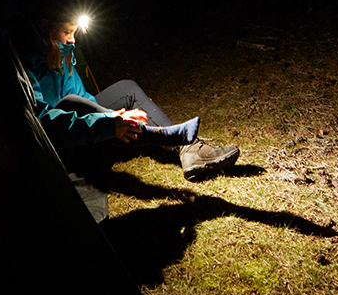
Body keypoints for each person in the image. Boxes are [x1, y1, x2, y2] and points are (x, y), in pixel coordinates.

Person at [20, 17, 239, 181]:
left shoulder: (64, 55)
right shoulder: (26, 60)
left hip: (84, 126)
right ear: (47, 28)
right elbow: (44, 120)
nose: (73, 40)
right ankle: (168, 137)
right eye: (68, 32)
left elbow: (85, 98)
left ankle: (188, 150)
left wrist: (113, 115)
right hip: (59, 146)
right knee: (71, 103)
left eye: (75, 33)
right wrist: (109, 120)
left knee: (127, 89)